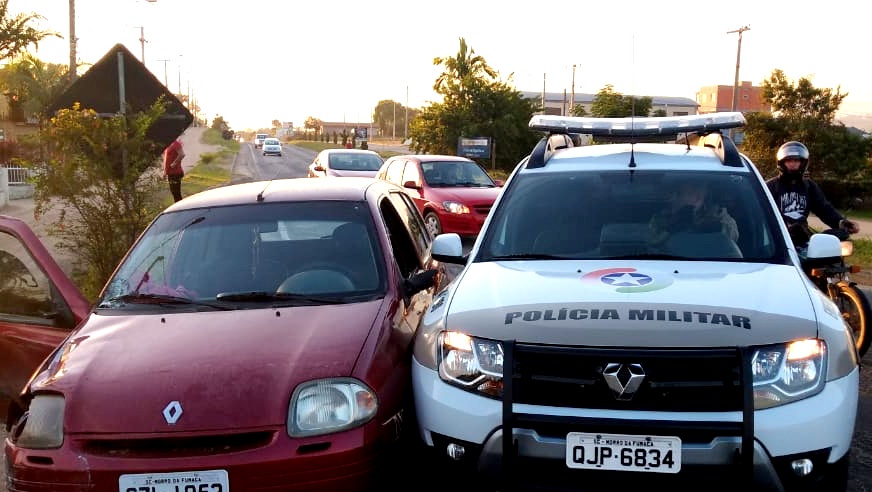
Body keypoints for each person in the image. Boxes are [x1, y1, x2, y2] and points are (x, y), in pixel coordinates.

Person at [765, 141, 859, 249]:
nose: (793, 164)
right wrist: (784, 227)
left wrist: (841, 222)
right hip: (778, 238)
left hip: (803, 236)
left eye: (796, 160)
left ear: (803, 163)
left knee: (838, 238)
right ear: (781, 162)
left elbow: (823, 208)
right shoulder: (770, 186)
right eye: (789, 160)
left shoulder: (809, 186)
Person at [649, 178, 739, 246]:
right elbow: (651, 243)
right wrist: (672, 228)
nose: (699, 193)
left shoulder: (717, 215)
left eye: (702, 187)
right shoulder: (661, 218)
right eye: (693, 188)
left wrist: (709, 227)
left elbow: (732, 235)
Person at [163, 137, 185, 202]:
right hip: (170, 172)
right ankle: (179, 207)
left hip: (176, 172)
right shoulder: (169, 144)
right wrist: (165, 172)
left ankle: (180, 208)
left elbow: (182, 154)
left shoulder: (176, 143)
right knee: (174, 193)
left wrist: (174, 164)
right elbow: (167, 159)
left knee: (176, 193)